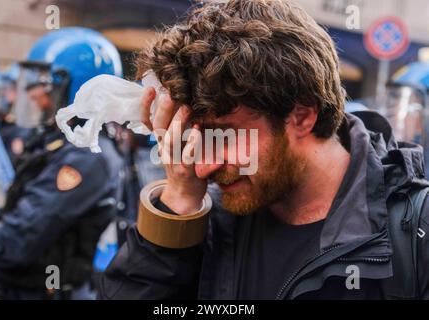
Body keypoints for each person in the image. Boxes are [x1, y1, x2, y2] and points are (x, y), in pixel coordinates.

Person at [99, 0, 429, 300]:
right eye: (198, 140)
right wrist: (179, 201)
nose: (203, 168)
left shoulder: (414, 232)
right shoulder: (207, 216)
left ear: (302, 115)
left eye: (224, 136)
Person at [0, 27, 124, 300]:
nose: (35, 95)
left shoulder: (88, 155)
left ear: (76, 91)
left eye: (45, 86)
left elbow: (20, 238)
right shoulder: (59, 142)